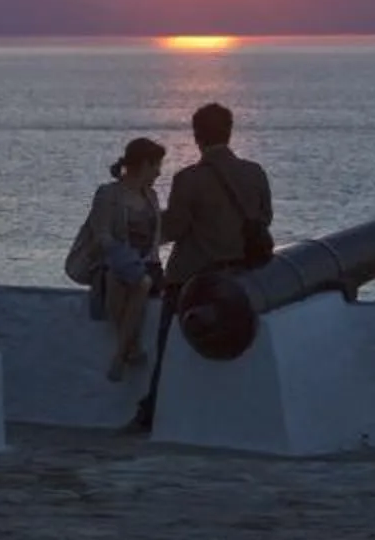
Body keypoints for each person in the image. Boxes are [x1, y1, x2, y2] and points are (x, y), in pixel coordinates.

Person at [162, 102, 276, 289]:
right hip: (245, 271)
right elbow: (265, 217)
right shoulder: (255, 172)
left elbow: (175, 228)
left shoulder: (187, 179)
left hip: (194, 277)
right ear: (229, 133)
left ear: (197, 137)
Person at [83, 138, 167, 380]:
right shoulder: (108, 194)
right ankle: (130, 348)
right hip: (117, 262)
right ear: (143, 164)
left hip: (148, 267)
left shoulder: (151, 196)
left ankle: (121, 353)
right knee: (117, 278)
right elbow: (102, 235)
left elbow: (156, 238)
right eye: (156, 166)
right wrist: (125, 259)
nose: (159, 172)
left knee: (142, 281)